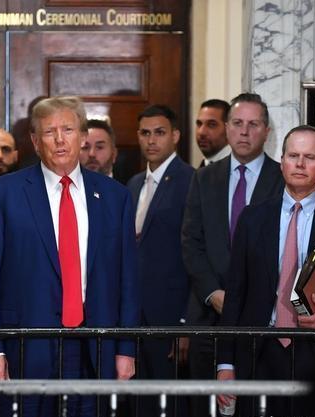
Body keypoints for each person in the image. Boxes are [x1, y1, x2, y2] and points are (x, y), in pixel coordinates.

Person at [0, 96, 139, 417]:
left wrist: (126, 348)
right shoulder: (3, 194)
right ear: (35, 141)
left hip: (96, 350)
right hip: (24, 350)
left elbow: (128, 279)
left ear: (82, 136)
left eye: (68, 130)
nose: (60, 139)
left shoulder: (115, 197)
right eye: (50, 132)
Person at [217, 125, 315, 416]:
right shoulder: (252, 218)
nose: (300, 164)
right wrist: (226, 363)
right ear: (282, 162)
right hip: (259, 351)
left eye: (310, 157)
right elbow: (236, 294)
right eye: (293, 156)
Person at [181, 93, 284, 417]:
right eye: (237, 123)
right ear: (227, 128)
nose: (244, 131)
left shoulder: (283, 178)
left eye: (253, 124)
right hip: (208, 318)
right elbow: (191, 242)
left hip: (262, 321)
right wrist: (213, 292)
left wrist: (247, 299)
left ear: (266, 131)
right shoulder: (204, 177)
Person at [126, 105, 194, 416]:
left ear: (175, 136)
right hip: (134, 318)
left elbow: (195, 254)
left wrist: (186, 323)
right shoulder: (134, 183)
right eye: (145, 133)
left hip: (170, 318)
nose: (151, 140)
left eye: (160, 133)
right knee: (139, 403)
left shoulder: (191, 180)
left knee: (170, 405)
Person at [195, 99, 230, 167]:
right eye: (199, 124)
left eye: (211, 125)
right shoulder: (203, 166)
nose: (201, 132)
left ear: (228, 129)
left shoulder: (238, 167)